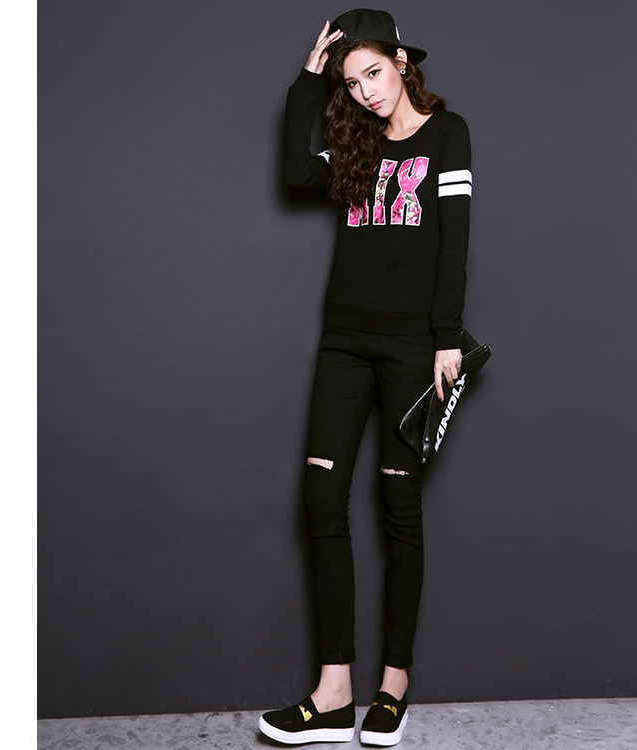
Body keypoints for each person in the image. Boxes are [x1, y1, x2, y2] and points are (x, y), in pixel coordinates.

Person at [258, 9, 473, 747]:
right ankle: (333, 692)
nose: (366, 92)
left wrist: (446, 340)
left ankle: (394, 685)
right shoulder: (355, 142)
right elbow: (294, 173)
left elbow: (454, 241)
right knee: (321, 499)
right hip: (344, 341)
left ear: (402, 63)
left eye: (373, 73)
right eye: (351, 83)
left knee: (397, 504)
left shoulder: (448, 135)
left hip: (414, 346)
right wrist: (309, 80)